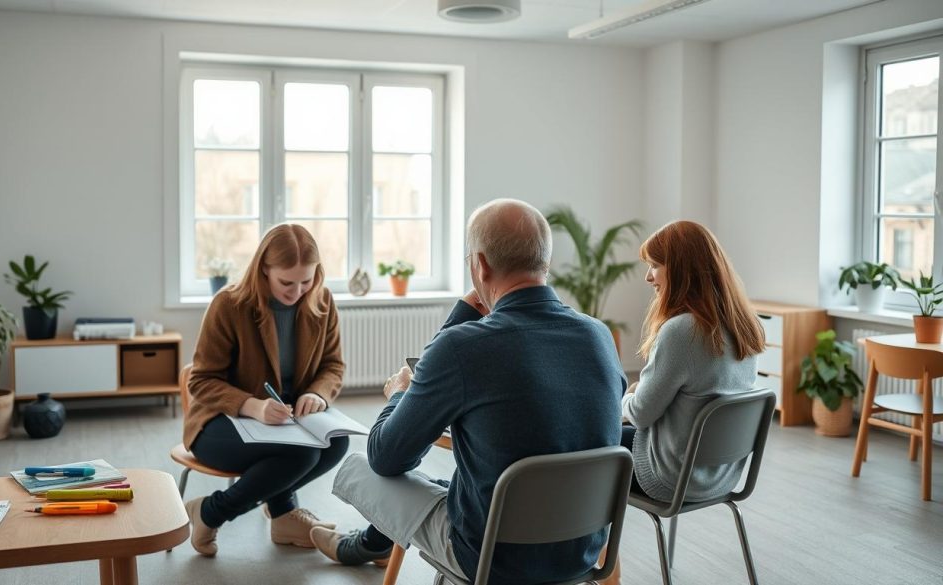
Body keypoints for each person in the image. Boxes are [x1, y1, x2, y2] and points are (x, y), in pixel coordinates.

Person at [311, 199, 626, 584]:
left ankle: (362, 546)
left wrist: (399, 393)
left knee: (363, 469)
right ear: (545, 261)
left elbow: (387, 457)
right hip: (582, 551)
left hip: (491, 557)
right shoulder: (599, 335)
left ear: (480, 264)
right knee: (454, 484)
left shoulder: (463, 347)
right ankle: (362, 546)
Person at [182, 223, 348, 557]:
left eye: (307, 280)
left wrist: (317, 393)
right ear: (263, 270)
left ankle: (282, 514)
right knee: (300, 453)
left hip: (282, 420)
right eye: (286, 282)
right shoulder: (229, 304)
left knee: (336, 442)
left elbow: (333, 366)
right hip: (218, 422)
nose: (297, 291)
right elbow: (200, 380)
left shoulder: (322, 301)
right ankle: (211, 512)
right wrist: (251, 406)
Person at [621, 220, 764, 502]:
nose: (648, 277)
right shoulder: (746, 324)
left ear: (681, 270)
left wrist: (626, 395)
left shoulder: (681, 331)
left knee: (591, 447)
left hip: (672, 478)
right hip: (721, 476)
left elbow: (640, 414)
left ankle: (598, 547)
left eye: (655, 266)